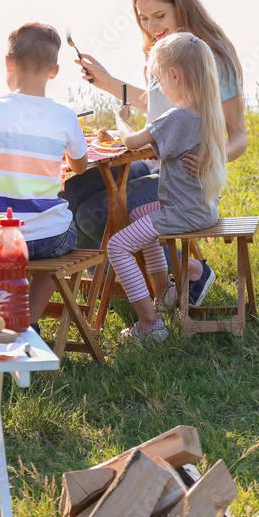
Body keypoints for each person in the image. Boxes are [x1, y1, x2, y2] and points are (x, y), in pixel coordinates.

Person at [67, 0, 248, 306]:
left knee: (95, 210)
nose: (151, 27)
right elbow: (161, 107)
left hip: (186, 181)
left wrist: (214, 156)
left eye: (159, 16)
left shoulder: (212, 55)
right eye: (143, 19)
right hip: (156, 164)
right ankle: (112, 272)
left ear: (181, 5)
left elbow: (238, 135)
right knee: (75, 187)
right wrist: (105, 80)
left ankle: (190, 271)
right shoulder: (160, 49)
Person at [0, 23, 88, 324]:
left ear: (9, 62)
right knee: (62, 243)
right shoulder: (66, 117)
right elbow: (80, 167)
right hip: (47, 239)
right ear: (54, 71)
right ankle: (25, 324)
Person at [106, 32, 227, 342]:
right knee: (139, 214)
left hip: (183, 213)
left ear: (175, 75)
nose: (159, 88)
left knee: (117, 246)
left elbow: (131, 141)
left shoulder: (176, 117)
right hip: (202, 209)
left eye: (159, 81)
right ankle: (166, 293)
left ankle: (149, 324)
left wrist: (121, 120)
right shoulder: (208, 111)